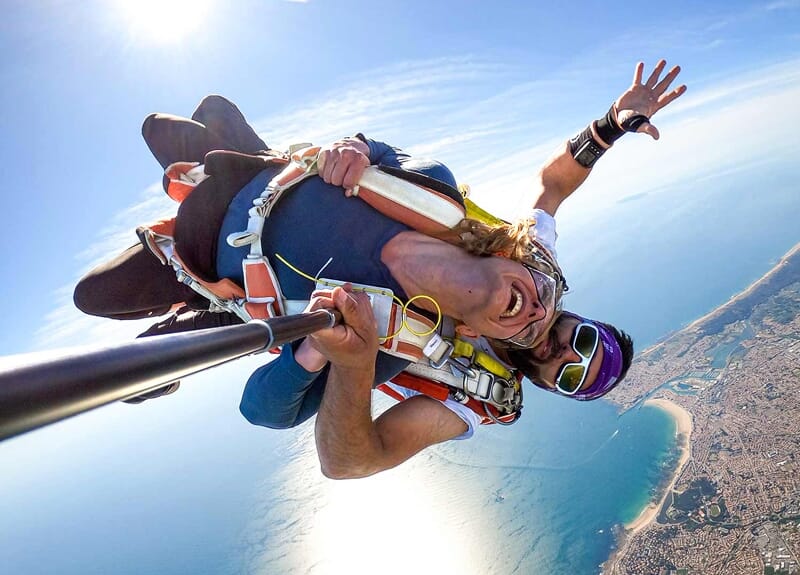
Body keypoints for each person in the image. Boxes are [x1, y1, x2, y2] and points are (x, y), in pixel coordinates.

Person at [73, 60, 685, 475]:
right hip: (261, 182)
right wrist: (609, 126)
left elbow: (337, 454)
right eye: (582, 341)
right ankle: (245, 163)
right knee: (180, 122)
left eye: (569, 377)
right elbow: (552, 188)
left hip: (225, 268)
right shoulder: (524, 263)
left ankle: (194, 316)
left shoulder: (444, 365)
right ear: (573, 312)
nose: (562, 353)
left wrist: (348, 360)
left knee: (94, 297)